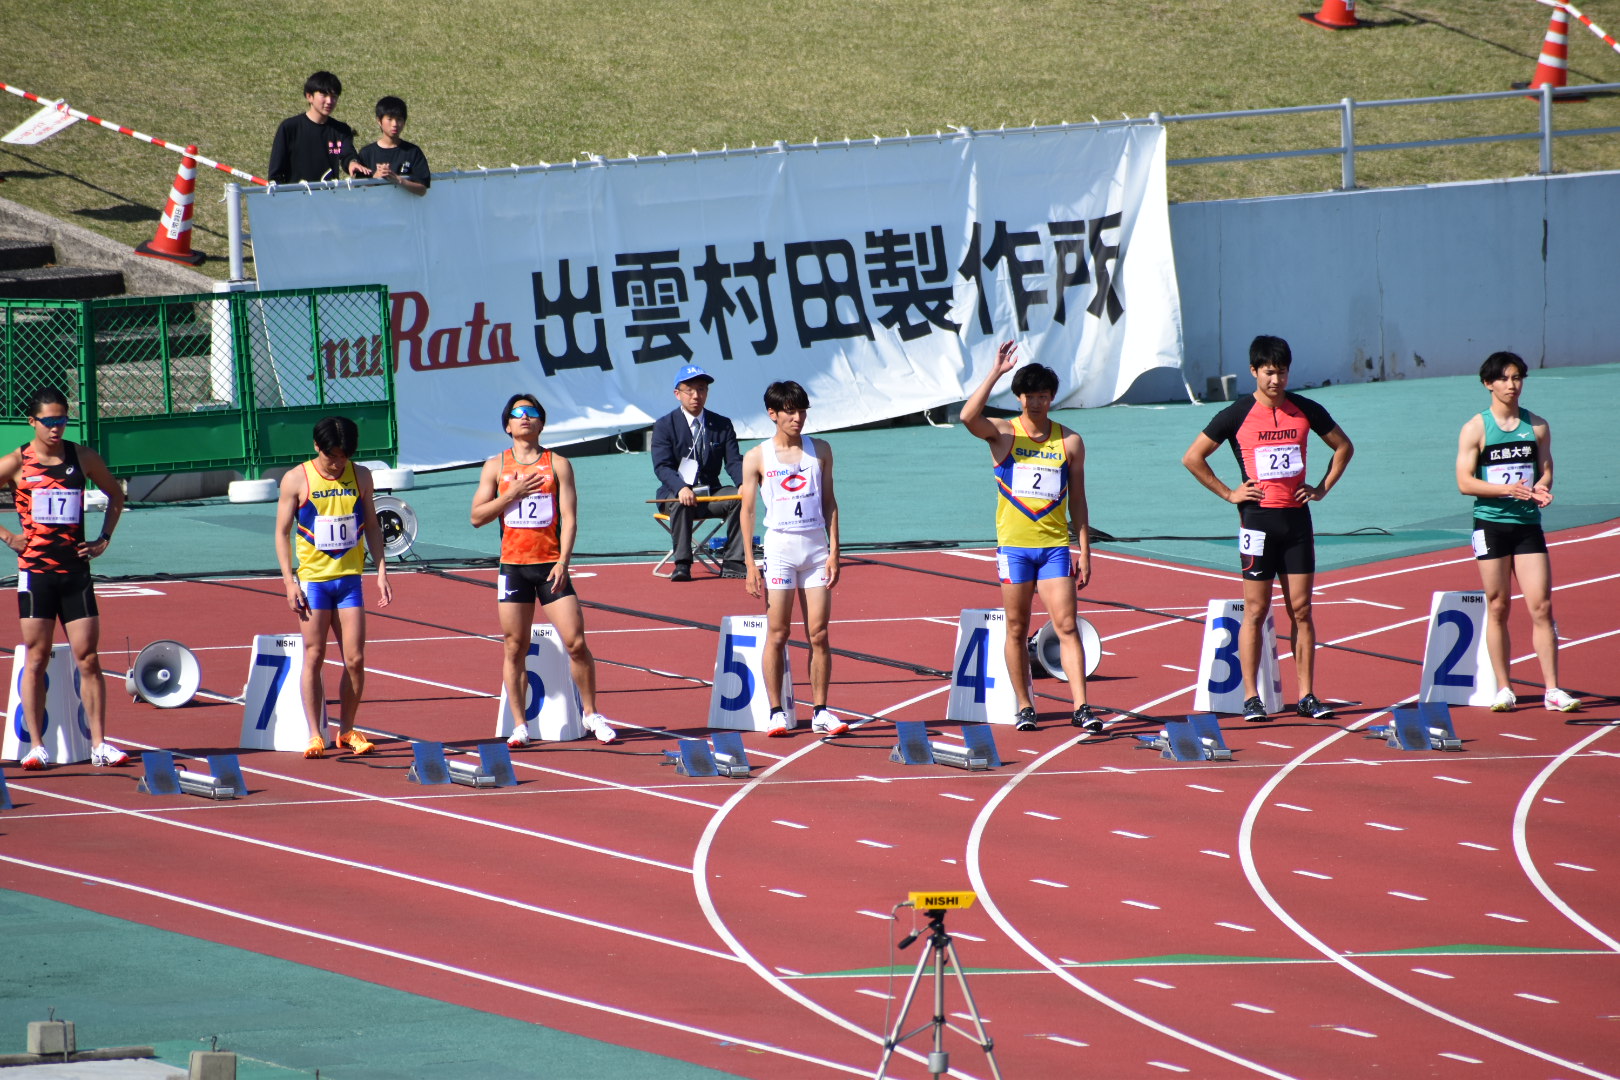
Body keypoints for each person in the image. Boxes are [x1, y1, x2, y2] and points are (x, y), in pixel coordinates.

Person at [1182, 335, 1354, 723]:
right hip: (1257, 522)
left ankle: (1307, 695)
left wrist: (1322, 488)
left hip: (1296, 522)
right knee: (1256, 611)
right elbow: (1192, 457)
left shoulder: (1305, 409)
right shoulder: (1237, 413)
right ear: (1254, 372)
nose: (1277, 380)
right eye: (1269, 372)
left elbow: (1344, 447)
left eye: (1282, 372)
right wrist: (1229, 493)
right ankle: (1250, 697)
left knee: (1302, 611)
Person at [960, 342, 1097, 732]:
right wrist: (995, 374)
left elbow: (1080, 502)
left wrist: (1084, 551)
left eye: (1043, 396)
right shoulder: (1004, 434)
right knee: (1017, 628)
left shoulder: (1069, 442)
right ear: (1019, 398)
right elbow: (969, 417)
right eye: (1029, 396)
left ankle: (1082, 706)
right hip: (1014, 549)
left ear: (1052, 397)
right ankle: (1024, 705)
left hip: (1054, 548)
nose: (1036, 403)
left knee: (1067, 625)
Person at [471, 394, 617, 747]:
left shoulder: (558, 465)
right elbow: (477, 517)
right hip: (513, 569)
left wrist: (564, 561)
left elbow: (570, 519)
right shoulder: (495, 466)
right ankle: (520, 724)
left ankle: (591, 713)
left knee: (576, 642)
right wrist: (512, 495)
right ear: (508, 425)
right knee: (514, 646)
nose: (525, 418)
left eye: (532, 413)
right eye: (518, 414)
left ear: (541, 423)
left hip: (550, 567)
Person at [0, 387, 129, 769]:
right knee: (36, 658)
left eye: (62, 420)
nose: (57, 428)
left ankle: (100, 744)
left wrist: (103, 539)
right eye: (49, 421)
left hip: (75, 572)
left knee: (87, 658)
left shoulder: (82, 457)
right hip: (37, 573)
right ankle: (36, 745)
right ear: (32, 422)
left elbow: (115, 495)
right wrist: (10, 538)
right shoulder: (15, 462)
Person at [1455, 352, 1579, 713]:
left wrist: (1541, 487)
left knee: (1541, 604)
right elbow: (1465, 482)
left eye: (1518, 378)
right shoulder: (1476, 428)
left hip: (1527, 526)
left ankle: (1553, 690)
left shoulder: (1537, 426)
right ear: (1488, 383)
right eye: (1505, 379)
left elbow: (1545, 469)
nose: (1512, 385)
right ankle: (1504, 688)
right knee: (1498, 605)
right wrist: (1507, 490)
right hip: (1491, 525)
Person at [274, 417, 393, 758]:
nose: (338, 464)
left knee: (355, 659)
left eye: (344, 457)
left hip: (350, 580)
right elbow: (282, 532)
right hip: (313, 582)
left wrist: (381, 570)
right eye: (332, 457)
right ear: (317, 447)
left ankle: (347, 730)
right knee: (315, 655)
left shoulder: (361, 476)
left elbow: (371, 523)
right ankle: (315, 734)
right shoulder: (297, 479)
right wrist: (289, 582)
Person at [738, 380, 846, 737]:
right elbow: (748, 511)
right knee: (779, 633)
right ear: (773, 414)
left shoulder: (822, 450)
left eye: (801, 411)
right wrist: (750, 563)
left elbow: (829, 502)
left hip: (815, 549)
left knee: (819, 633)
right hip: (780, 549)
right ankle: (775, 711)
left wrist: (834, 551)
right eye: (789, 412)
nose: (797, 418)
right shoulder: (757, 457)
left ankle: (821, 710)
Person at [651, 363, 747, 581]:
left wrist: (742, 483)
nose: (696, 395)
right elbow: (662, 466)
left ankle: (734, 561)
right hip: (674, 493)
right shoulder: (664, 425)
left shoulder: (722, 424)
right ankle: (683, 564)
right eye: (690, 390)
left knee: (741, 498)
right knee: (680, 501)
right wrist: (681, 487)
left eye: (702, 389)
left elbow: (733, 461)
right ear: (677, 394)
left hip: (710, 493)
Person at [268, 71, 370, 184]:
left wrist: (352, 162)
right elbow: (276, 172)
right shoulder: (289, 127)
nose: (329, 101)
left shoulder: (341, 130)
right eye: (324, 95)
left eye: (334, 96)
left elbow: (347, 154)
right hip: (297, 196)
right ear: (309, 96)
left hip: (328, 195)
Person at [357, 96, 430, 196]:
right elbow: (358, 190)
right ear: (379, 121)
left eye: (399, 119)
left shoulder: (413, 152)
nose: (395, 124)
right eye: (390, 119)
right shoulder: (366, 153)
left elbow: (422, 189)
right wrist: (375, 178)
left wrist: (399, 180)